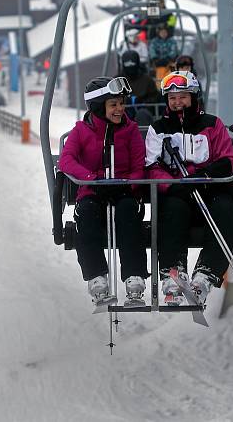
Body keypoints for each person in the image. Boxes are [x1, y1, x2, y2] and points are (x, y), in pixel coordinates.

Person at [145, 71, 233, 305]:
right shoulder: (159, 129)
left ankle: (206, 274)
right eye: (172, 98)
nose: (177, 102)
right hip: (177, 191)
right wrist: (172, 185)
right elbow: (151, 165)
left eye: (182, 97)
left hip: (210, 189)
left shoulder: (211, 124)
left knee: (226, 212)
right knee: (173, 211)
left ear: (194, 96)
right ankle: (172, 273)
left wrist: (206, 175)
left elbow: (228, 159)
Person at [57, 76, 149, 305]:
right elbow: (66, 160)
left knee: (128, 213)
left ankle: (134, 275)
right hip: (93, 190)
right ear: (99, 107)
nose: (120, 109)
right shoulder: (81, 132)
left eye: (121, 103)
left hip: (123, 190)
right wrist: (90, 178)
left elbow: (139, 165)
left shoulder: (130, 130)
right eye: (113, 105)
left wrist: (129, 183)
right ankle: (97, 276)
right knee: (86, 215)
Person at [119, 50, 160, 125]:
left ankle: (143, 135)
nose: (130, 66)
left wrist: (143, 102)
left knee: (142, 114)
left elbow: (155, 97)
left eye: (132, 63)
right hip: (123, 110)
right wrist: (125, 101)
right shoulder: (118, 80)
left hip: (144, 110)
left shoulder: (147, 80)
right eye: (128, 64)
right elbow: (111, 99)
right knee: (122, 114)